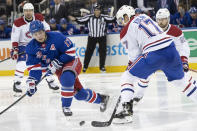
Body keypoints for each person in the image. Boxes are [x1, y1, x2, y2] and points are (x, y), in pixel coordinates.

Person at [114, 5, 197, 124]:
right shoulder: (144, 16)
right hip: (171, 49)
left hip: (154, 55)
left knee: (127, 77)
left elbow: (134, 55)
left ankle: (126, 113)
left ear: (127, 16)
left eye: (122, 19)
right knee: (182, 82)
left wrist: (131, 66)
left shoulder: (125, 31)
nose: (121, 23)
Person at [26, 20, 109, 116]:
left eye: (40, 32)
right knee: (79, 94)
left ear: (44, 31)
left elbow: (71, 51)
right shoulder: (31, 47)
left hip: (71, 61)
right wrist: (32, 82)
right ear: (32, 35)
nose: (39, 36)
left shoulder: (56, 37)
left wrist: (57, 62)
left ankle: (66, 106)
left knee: (66, 78)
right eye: (35, 34)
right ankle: (102, 99)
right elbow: (34, 69)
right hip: (59, 69)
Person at [132, 8, 191, 104]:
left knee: (185, 79)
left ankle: (194, 91)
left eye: (163, 19)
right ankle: (138, 95)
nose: (160, 21)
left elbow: (184, 46)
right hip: (155, 58)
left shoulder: (175, 31)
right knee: (144, 76)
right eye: (159, 19)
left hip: (171, 59)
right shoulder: (151, 30)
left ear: (168, 19)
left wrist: (184, 60)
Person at [10, 3, 59, 96]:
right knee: (22, 63)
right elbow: (15, 37)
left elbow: (47, 28)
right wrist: (15, 49)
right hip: (23, 45)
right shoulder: (18, 22)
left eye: (30, 10)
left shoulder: (39, 17)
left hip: (38, 42)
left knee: (46, 60)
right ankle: (17, 82)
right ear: (23, 12)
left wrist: (48, 40)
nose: (28, 13)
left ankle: (50, 79)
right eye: (26, 11)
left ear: (33, 11)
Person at [70, 4, 116, 73]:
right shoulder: (89, 17)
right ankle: (85, 66)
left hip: (102, 37)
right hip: (92, 37)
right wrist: (75, 19)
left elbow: (112, 19)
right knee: (88, 52)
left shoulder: (104, 17)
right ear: (94, 11)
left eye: (98, 10)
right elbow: (81, 20)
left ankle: (102, 67)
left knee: (102, 53)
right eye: (95, 10)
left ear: (100, 11)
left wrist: (118, 15)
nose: (97, 11)